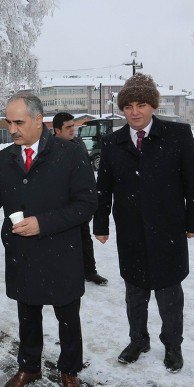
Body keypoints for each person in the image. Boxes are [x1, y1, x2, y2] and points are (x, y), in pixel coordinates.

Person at [0, 92, 97, 387]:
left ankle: (70, 372)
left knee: (68, 319)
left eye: (19, 122)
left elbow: (87, 205)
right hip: (23, 254)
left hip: (60, 253)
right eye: (9, 122)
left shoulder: (68, 153)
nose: (12, 129)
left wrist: (43, 223)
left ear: (37, 120)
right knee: (27, 316)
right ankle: (28, 367)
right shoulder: (6, 158)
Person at [93, 74, 194, 373]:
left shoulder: (177, 135)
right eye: (128, 105)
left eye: (141, 104)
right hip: (131, 232)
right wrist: (101, 224)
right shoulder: (112, 142)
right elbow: (104, 187)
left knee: (169, 294)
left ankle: (172, 344)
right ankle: (138, 340)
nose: (134, 111)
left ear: (152, 105)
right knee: (135, 292)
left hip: (168, 231)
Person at [53, 112, 108, 286]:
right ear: (57, 130)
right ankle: (62, 273)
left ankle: (89, 272)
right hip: (59, 204)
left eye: (73, 126)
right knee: (61, 241)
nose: (72, 130)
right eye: (68, 127)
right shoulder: (49, 148)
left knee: (84, 238)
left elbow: (86, 171)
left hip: (80, 202)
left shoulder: (79, 144)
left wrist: (90, 195)